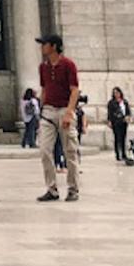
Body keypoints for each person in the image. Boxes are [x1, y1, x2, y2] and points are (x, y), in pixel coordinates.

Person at [35, 34, 80, 203]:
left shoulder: (68, 65)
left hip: (64, 110)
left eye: (44, 44)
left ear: (53, 46)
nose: (41, 47)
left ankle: (73, 188)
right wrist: (41, 109)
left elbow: (74, 90)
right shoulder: (43, 67)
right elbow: (44, 88)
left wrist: (69, 112)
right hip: (48, 111)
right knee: (45, 150)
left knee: (70, 150)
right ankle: (51, 188)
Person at [107, 87, 130, 162]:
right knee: (117, 137)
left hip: (123, 121)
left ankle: (124, 153)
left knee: (123, 137)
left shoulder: (124, 102)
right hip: (116, 121)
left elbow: (127, 111)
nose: (116, 94)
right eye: (114, 93)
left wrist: (127, 116)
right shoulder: (111, 102)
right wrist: (109, 121)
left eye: (117, 92)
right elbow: (109, 112)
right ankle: (118, 154)